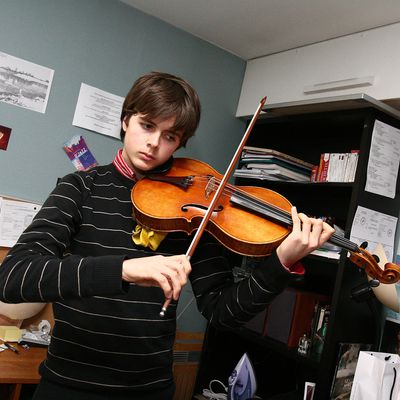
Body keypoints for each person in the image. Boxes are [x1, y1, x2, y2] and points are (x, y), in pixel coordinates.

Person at [0, 71, 335, 400]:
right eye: (147, 126)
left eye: (170, 136)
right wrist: (123, 270)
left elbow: (223, 312)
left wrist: (280, 262)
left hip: (150, 390)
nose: (154, 144)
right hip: (68, 385)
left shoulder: (193, 210)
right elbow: (13, 276)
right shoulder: (80, 189)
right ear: (126, 120)